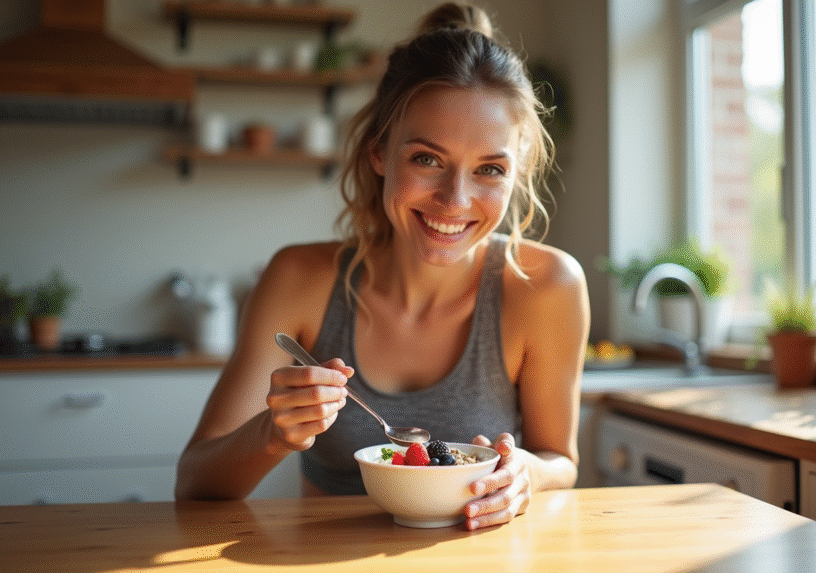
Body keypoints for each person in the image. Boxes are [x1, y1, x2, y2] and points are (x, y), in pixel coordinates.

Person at [175, 1, 590, 531]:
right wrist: (273, 434)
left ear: (517, 173)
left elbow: (563, 460)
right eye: (427, 159)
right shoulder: (300, 279)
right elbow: (193, 482)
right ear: (379, 152)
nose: (455, 200)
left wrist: (525, 472)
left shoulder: (547, 287)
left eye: (489, 169)